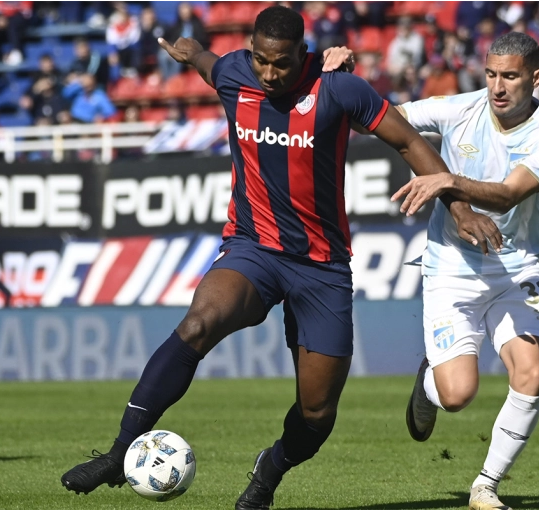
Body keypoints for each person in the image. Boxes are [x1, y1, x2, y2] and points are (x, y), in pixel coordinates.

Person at [59, 6, 501, 510]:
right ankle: (119, 452)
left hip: (322, 268)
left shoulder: (339, 88)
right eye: (262, 62)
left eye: (282, 64)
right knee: (197, 324)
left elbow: (407, 140)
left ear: (302, 55)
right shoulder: (234, 74)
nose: (270, 75)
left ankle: (269, 471)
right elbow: (207, 60)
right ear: (250, 51)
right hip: (253, 248)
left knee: (317, 415)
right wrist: (188, 52)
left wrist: (459, 207)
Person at [334, 31, 539, 510]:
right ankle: (429, 382)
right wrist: (346, 84)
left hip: (515, 267)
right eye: (491, 75)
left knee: (532, 372)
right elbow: (383, 120)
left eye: (510, 76)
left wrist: (447, 178)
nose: (498, 87)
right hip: (450, 268)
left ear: (536, 78)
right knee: (458, 394)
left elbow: (508, 194)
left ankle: (486, 485)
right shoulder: (458, 108)